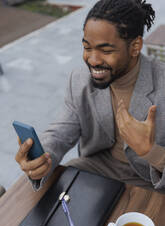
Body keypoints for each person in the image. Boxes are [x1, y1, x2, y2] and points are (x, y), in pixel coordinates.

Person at [15, 0, 165, 193]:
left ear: (135, 46)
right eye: (87, 47)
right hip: (96, 169)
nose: (93, 60)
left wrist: (151, 152)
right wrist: (42, 157)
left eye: (106, 50)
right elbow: (60, 132)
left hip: (152, 182)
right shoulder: (79, 80)